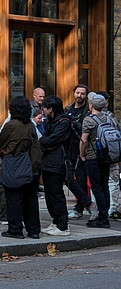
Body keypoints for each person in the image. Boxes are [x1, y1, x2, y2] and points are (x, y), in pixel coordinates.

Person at [0, 96, 41, 239]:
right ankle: (33, 230)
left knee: (13, 200)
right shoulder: (31, 125)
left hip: (14, 166)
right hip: (31, 166)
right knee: (31, 201)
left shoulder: (11, 125)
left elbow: (0, 143)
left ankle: (15, 230)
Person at [39, 95, 71, 236]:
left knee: (56, 194)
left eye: (45, 109)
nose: (43, 111)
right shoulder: (53, 122)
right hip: (48, 162)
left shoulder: (63, 122)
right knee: (50, 194)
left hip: (57, 163)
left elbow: (51, 140)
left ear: (50, 109)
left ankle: (63, 225)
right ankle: (56, 221)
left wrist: (45, 141)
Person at [80, 93, 112, 228]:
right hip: (107, 156)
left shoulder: (89, 120)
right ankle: (105, 214)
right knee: (105, 186)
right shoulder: (110, 118)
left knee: (96, 187)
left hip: (93, 157)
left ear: (91, 105)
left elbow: (84, 140)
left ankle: (102, 217)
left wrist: (82, 154)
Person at [65, 84, 92, 219]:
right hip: (69, 148)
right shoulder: (68, 109)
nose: (79, 96)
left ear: (86, 95)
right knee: (68, 178)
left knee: (81, 179)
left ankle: (79, 208)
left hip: (83, 149)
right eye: (77, 93)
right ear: (73, 93)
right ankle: (86, 203)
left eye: (82, 93)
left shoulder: (88, 111)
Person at [96, 91, 121, 221]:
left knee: (99, 182)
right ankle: (113, 208)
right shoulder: (111, 116)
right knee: (112, 181)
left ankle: (101, 209)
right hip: (113, 153)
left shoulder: (92, 116)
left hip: (99, 153)